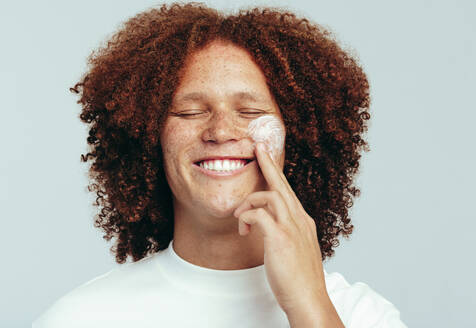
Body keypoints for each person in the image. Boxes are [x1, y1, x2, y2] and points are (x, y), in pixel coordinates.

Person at [33, 2, 407, 327]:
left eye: (250, 112)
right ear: (150, 137)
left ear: (302, 139)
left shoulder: (359, 315)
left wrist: (308, 306)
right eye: (190, 111)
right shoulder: (81, 319)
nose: (221, 131)